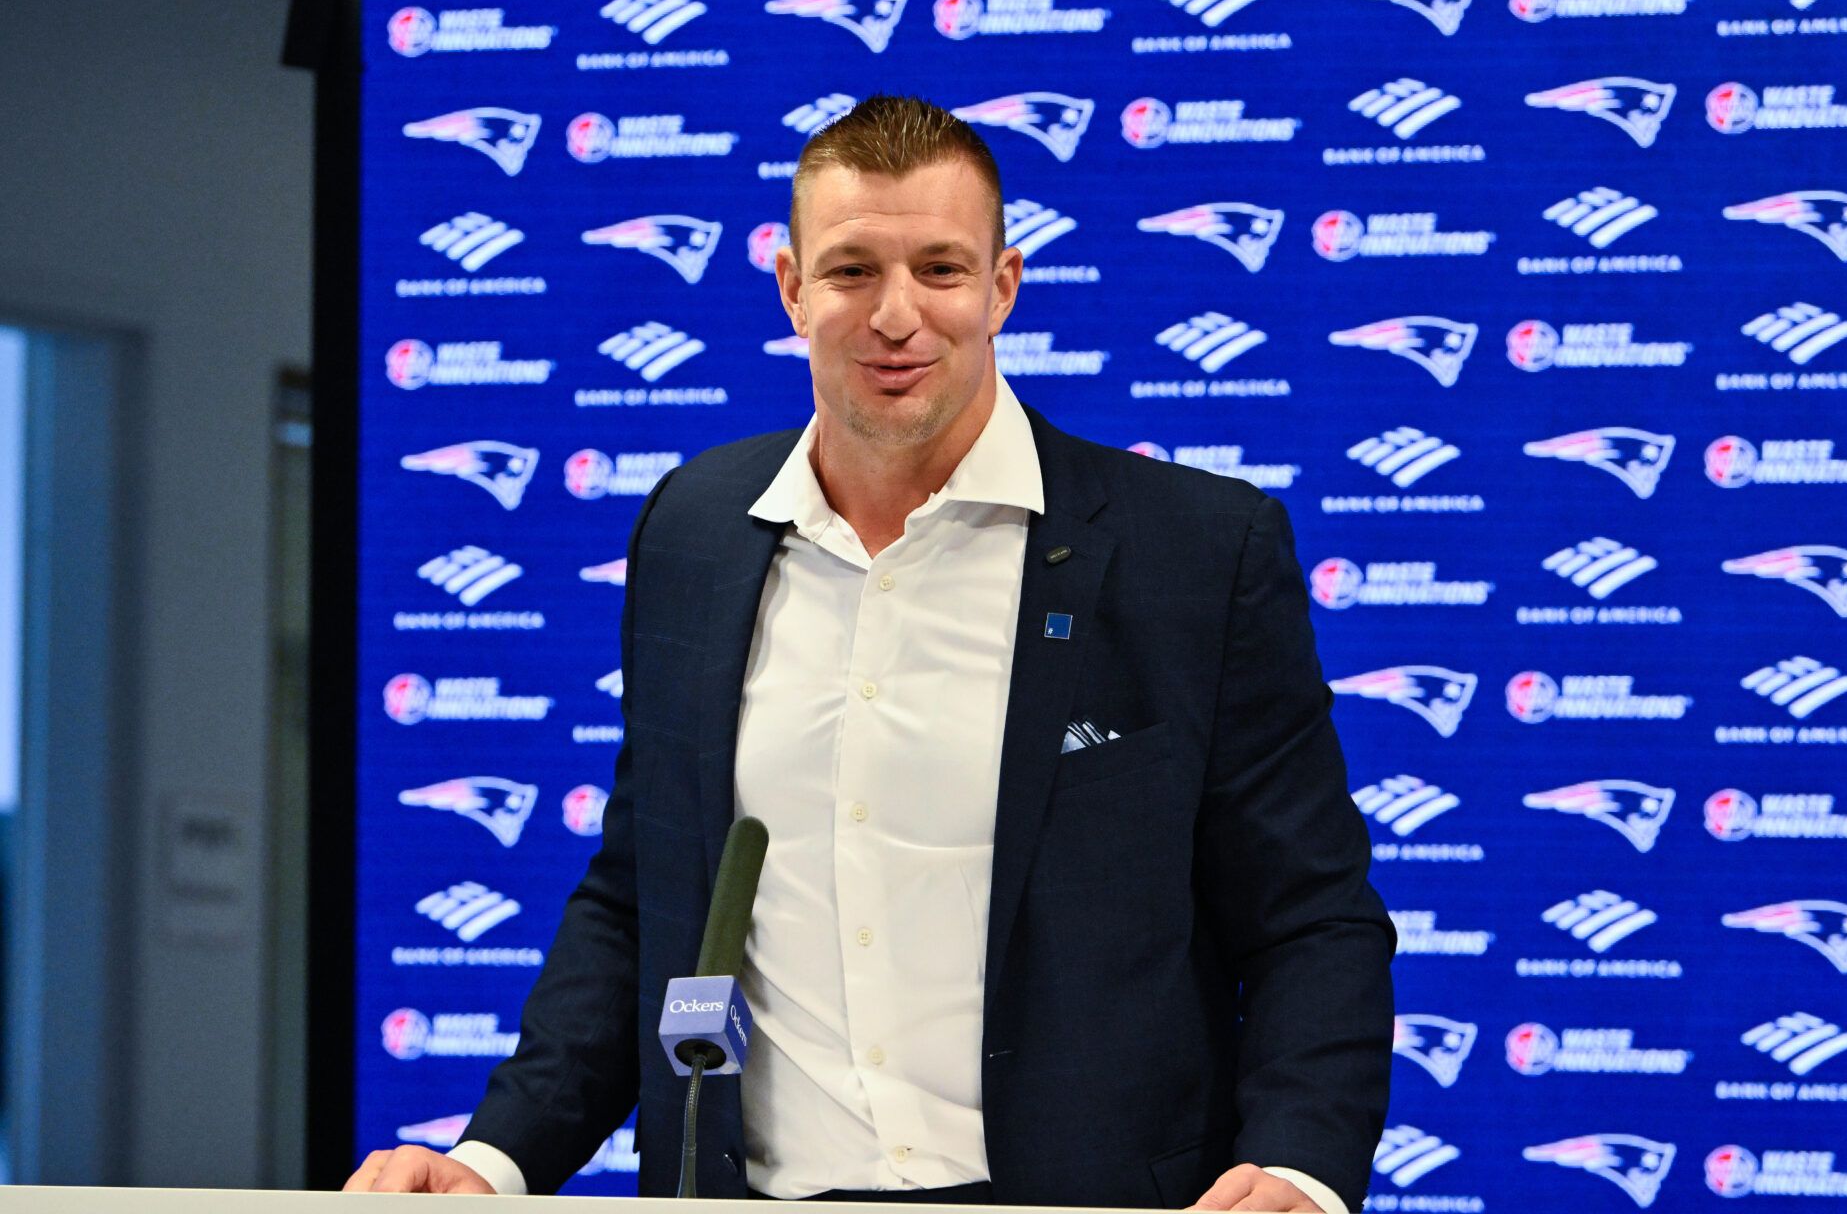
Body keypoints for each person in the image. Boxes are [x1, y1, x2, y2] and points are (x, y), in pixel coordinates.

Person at [347, 96, 1394, 1212]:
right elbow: (643, 896)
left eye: (941, 269)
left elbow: (1312, 915)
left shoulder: (1194, 550)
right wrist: (496, 1157)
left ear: (1003, 287)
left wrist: (1298, 1164)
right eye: (852, 271)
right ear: (792, 287)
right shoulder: (692, 531)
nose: (898, 316)